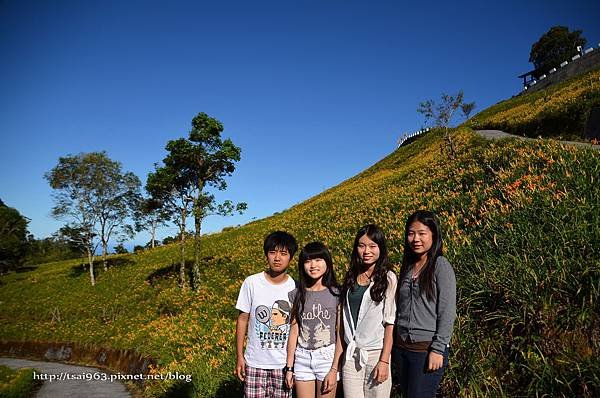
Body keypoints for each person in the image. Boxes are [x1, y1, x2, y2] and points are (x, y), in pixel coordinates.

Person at [392, 210, 456, 398]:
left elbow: (447, 311)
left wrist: (438, 349)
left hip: (426, 350)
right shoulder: (407, 267)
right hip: (402, 349)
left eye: (422, 233)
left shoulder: (440, 265)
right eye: (411, 233)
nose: (416, 239)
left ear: (433, 235)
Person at [235, 231, 298, 397]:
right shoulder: (251, 283)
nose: (277, 258)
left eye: (283, 253)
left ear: (291, 257)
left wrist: (291, 366)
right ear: (266, 255)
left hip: (282, 365)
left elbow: (294, 327)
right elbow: (242, 320)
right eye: (272, 252)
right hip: (254, 363)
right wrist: (240, 357)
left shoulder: (295, 287)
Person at [341, 224, 397, 397]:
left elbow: (390, 323)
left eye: (373, 246)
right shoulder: (350, 277)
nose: (367, 251)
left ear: (381, 249)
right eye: (361, 245)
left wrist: (384, 361)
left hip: (376, 355)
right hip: (351, 356)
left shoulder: (388, 278)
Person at [285, 242, 343, 398]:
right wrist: (289, 368)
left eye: (318, 260)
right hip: (302, 357)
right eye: (307, 261)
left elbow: (340, 334)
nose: (313, 265)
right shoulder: (297, 294)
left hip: (327, 356)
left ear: (327, 262)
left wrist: (334, 368)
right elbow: (294, 331)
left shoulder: (337, 293)